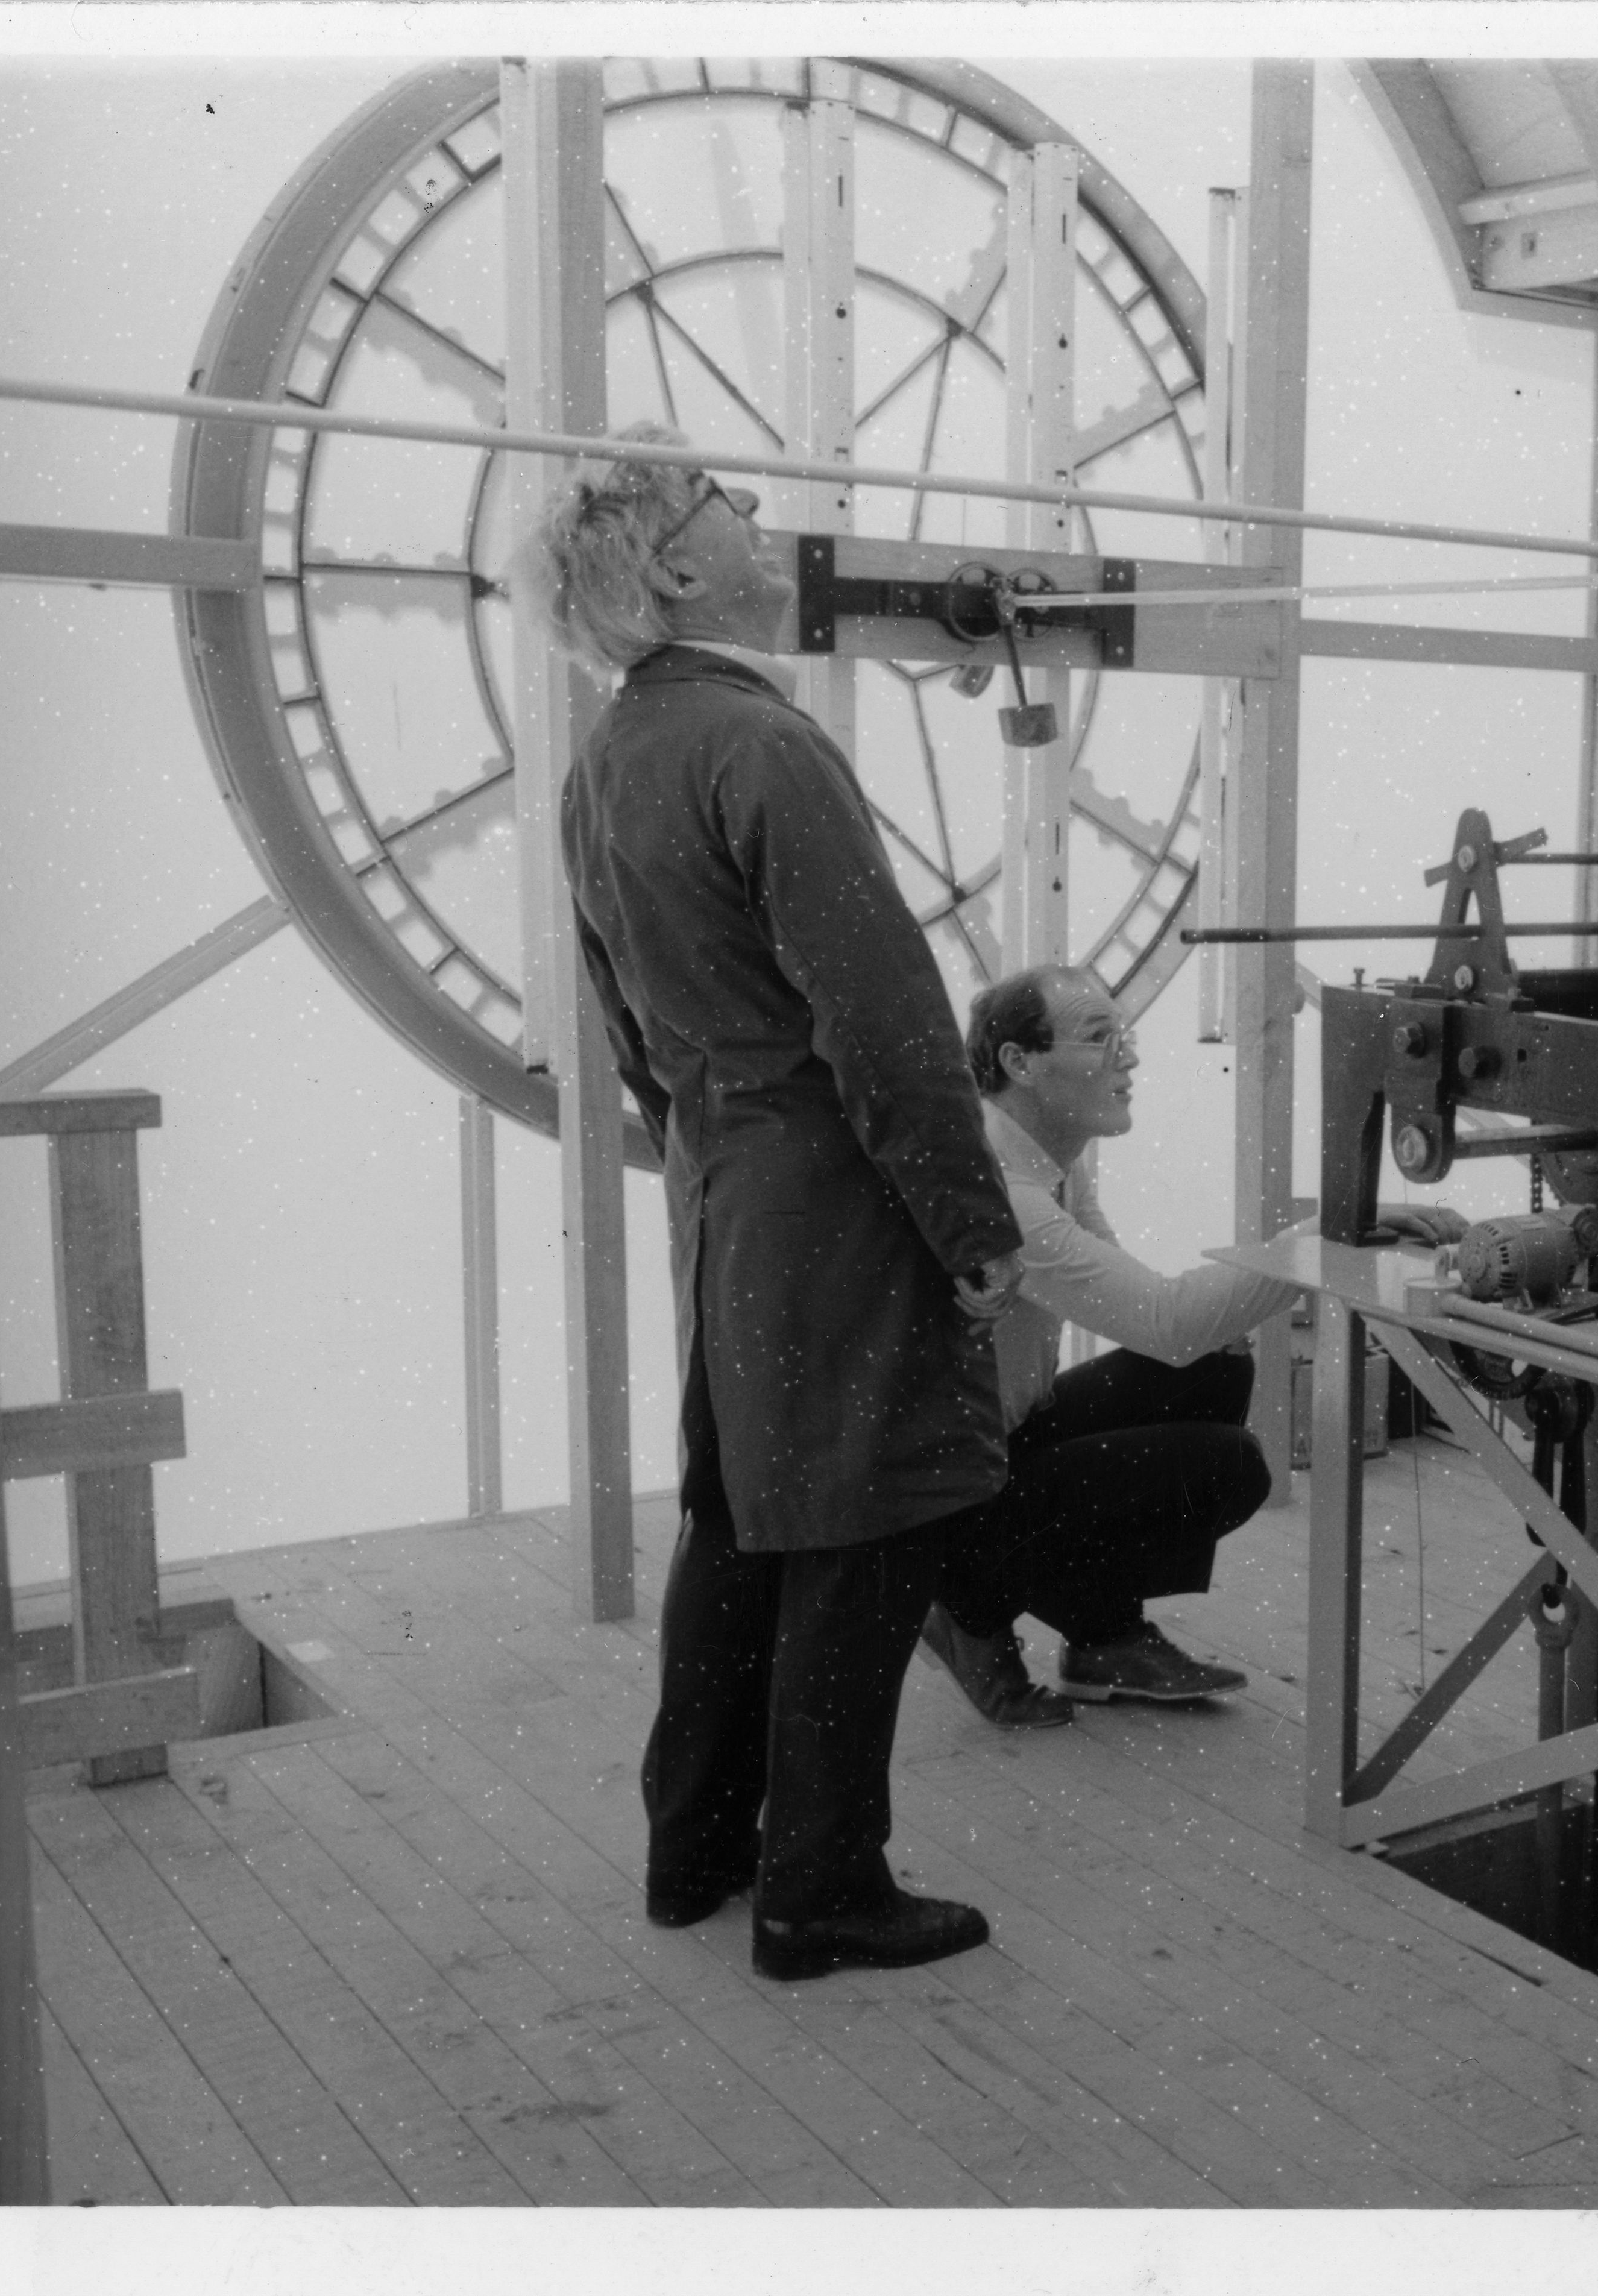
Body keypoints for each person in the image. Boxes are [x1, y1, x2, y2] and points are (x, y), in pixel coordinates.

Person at [520, 426, 1025, 1983]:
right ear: (676, 566)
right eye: (723, 501)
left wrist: (714, 1159)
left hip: (726, 1189)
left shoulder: (603, 768)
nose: (753, 514)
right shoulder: (765, 748)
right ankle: (821, 1890)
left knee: (740, 1519)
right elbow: (886, 1023)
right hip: (834, 1189)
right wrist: (973, 1228)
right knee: (866, 1532)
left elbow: (625, 1036)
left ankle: (696, 1851)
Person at [920, 963, 1466, 1725]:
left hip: (994, 1445)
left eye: (1125, 1035)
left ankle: (1101, 1636)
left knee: (1212, 1367)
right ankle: (965, 1607)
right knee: (1229, 1464)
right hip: (944, 1498)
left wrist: (1335, 1231)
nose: (1130, 1057)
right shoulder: (1006, 1191)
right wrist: (1322, 1239)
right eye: (1098, 1037)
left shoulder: (1046, 1160)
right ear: (1020, 1063)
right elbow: (1165, 1319)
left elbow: (1159, 1317)